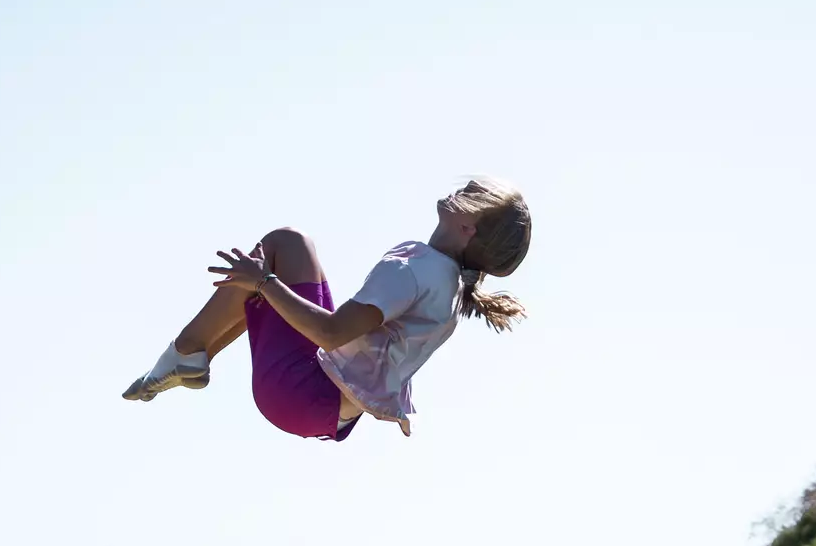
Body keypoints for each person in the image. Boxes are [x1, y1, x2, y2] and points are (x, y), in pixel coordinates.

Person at [122, 177, 533, 440]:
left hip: (302, 392)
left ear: (468, 227)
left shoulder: (415, 270)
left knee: (283, 246)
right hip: (323, 409)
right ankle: (191, 355)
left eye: (474, 193)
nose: (463, 187)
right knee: (289, 253)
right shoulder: (444, 285)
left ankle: (185, 350)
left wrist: (264, 282)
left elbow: (332, 333)